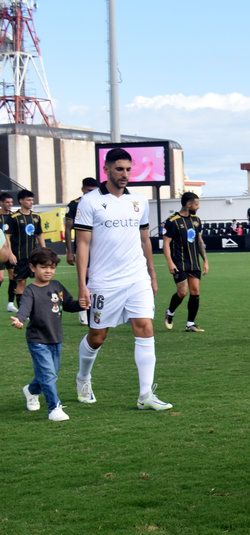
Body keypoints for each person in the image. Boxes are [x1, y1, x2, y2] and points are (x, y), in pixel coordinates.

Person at [73, 147, 172, 410]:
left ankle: (145, 396)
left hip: (136, 277)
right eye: (119, 169)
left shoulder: (139, 201)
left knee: (145, 328)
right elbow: (82, 245)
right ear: (106, 170)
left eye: (128, 169)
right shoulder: (90, 202)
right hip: (104, 281)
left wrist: (151, 273)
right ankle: (83, 377)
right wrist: (82, 284)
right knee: (98, 336)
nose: (125, 174)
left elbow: (144, 239)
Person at [11, 247, 85, 421]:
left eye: (51, 267)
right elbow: (24, 309)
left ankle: (31, 390)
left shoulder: (57, 286)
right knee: (49, 374)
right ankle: (54, 408)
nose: (48, 271)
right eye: (43, 267)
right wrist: (20, 319)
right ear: (33, 267)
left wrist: (81, 305)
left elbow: (68, 305)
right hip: (37, 340)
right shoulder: (30, 290)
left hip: (56, 338)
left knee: (51, 372)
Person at [163, 192, 209, 333]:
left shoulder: (196, 220)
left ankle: (190, 324)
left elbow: (200, 241)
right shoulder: (172, 221)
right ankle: (170, 312)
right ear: (188, 204)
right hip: (179, 262)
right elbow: (166, 243)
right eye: (196, 204)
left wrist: (205, 261)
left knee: (195, 292)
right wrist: (170, 262)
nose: (198, 207)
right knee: (182, 292)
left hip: (194, 262)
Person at [65, 177, 99, 325]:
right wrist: (69, 251)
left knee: (97, 278)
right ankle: (82, 309)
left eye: (94, 191)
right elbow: (68, 228)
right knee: (86, 276)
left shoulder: (100, 202)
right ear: (83, 189)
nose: (92, 193)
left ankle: (96, 310)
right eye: (89, 190)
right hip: (83, 246)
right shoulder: (74, 205)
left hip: (99, 247)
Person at [6, 189, 45, 312]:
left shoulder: (36, 217)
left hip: (34, 257)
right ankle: (23, 311)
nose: (31, 202)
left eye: (32, 200)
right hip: (19, 256)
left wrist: (44, 251)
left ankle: (38, 307)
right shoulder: (13, 217)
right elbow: (7, 236)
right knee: (21, 283)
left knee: (40, 281)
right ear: (21, 201)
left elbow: (40, 235)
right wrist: (10, 254)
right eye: (28, 200)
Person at [1, 191, 15, 310]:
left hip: (11, 251)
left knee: (13, 276)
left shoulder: (13, 216)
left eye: (11, 202)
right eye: (7, 202)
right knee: (0, 278)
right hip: (0, 252)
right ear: (1, 203)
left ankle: (10, 303)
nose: (10, 204)